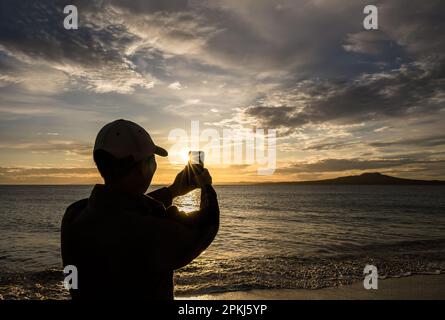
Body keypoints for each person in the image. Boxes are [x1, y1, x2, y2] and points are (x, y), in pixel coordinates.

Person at [61, 119, 219, 300]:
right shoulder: (148, 230)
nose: (154, 167)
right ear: (142, 168)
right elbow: (204, 227)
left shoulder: (73, 215)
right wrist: (206, 185)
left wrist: (173, 190)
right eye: (152, 160)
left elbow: (122, 207)